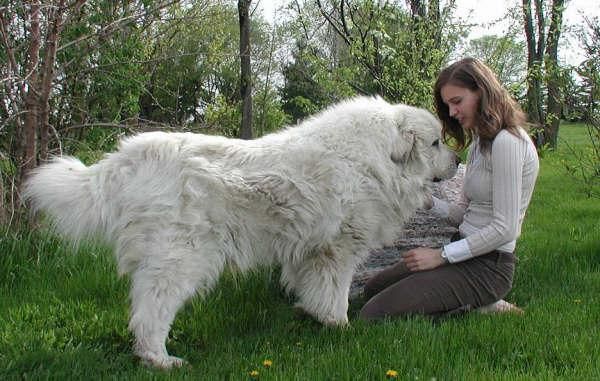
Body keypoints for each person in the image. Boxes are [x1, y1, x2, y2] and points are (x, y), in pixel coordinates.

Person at [359, 57, 539, 320]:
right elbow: (462, 215)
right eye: (448, 105)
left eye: (457, 101)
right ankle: (467, 299)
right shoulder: (480, 143)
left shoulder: (508, 142)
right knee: (372, 290)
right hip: (461, 251)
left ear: (482, 92)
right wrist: (427, 201)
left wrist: (441, 256)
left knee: (373, 314)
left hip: (489, 267)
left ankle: (482, 304)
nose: (452, 112)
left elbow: (505, 228)